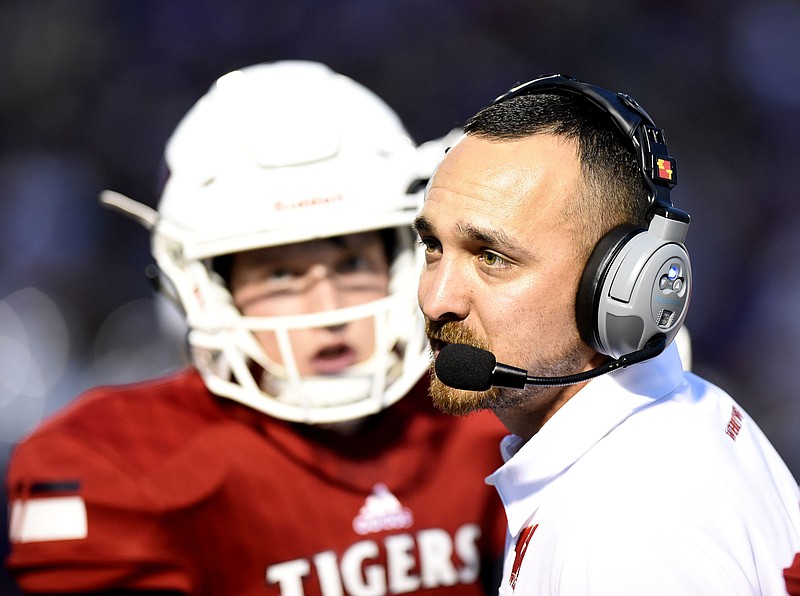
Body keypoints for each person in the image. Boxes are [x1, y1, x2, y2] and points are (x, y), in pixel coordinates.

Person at [4, 61, 507, 595]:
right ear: (208, 290)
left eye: (352, 264)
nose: (328, 306)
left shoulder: (482, 417)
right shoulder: (107, 458)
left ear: (405, 260)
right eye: (281, 274)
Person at [413, 73, 800, 594]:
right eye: (433, 247)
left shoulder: (621, 528)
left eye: (492, 258)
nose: (437, 300)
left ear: (623, 285)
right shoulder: (688, 409)